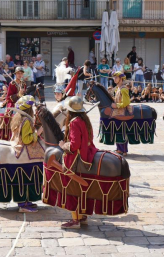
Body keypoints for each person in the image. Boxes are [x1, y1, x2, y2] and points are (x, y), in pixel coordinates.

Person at [58, 96, 98, 228]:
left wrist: (63, 145)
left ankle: (75, 220)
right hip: (88, 153)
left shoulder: (74, 122)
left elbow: (74, 145)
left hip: (76, 158)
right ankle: (82, 216)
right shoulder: (84, 120)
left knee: (71, 188)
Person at [10, 95, 44, 212]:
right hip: (24, 152)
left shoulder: (18, 117)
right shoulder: (27, 120)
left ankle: (27, 200)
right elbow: (26, 140)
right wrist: (38, 133)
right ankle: (23, 204)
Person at [111, 71, 130, 156]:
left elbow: (126, 103)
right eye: (114, 77)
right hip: (117, 113)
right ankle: (119, 149)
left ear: (121, 79)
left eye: (116, 77)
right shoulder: (117, 88)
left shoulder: (123, 89)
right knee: (117, 131)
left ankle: (123, 150)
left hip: (122, 113)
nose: (114, 79)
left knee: (121, 131)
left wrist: (116, 105)